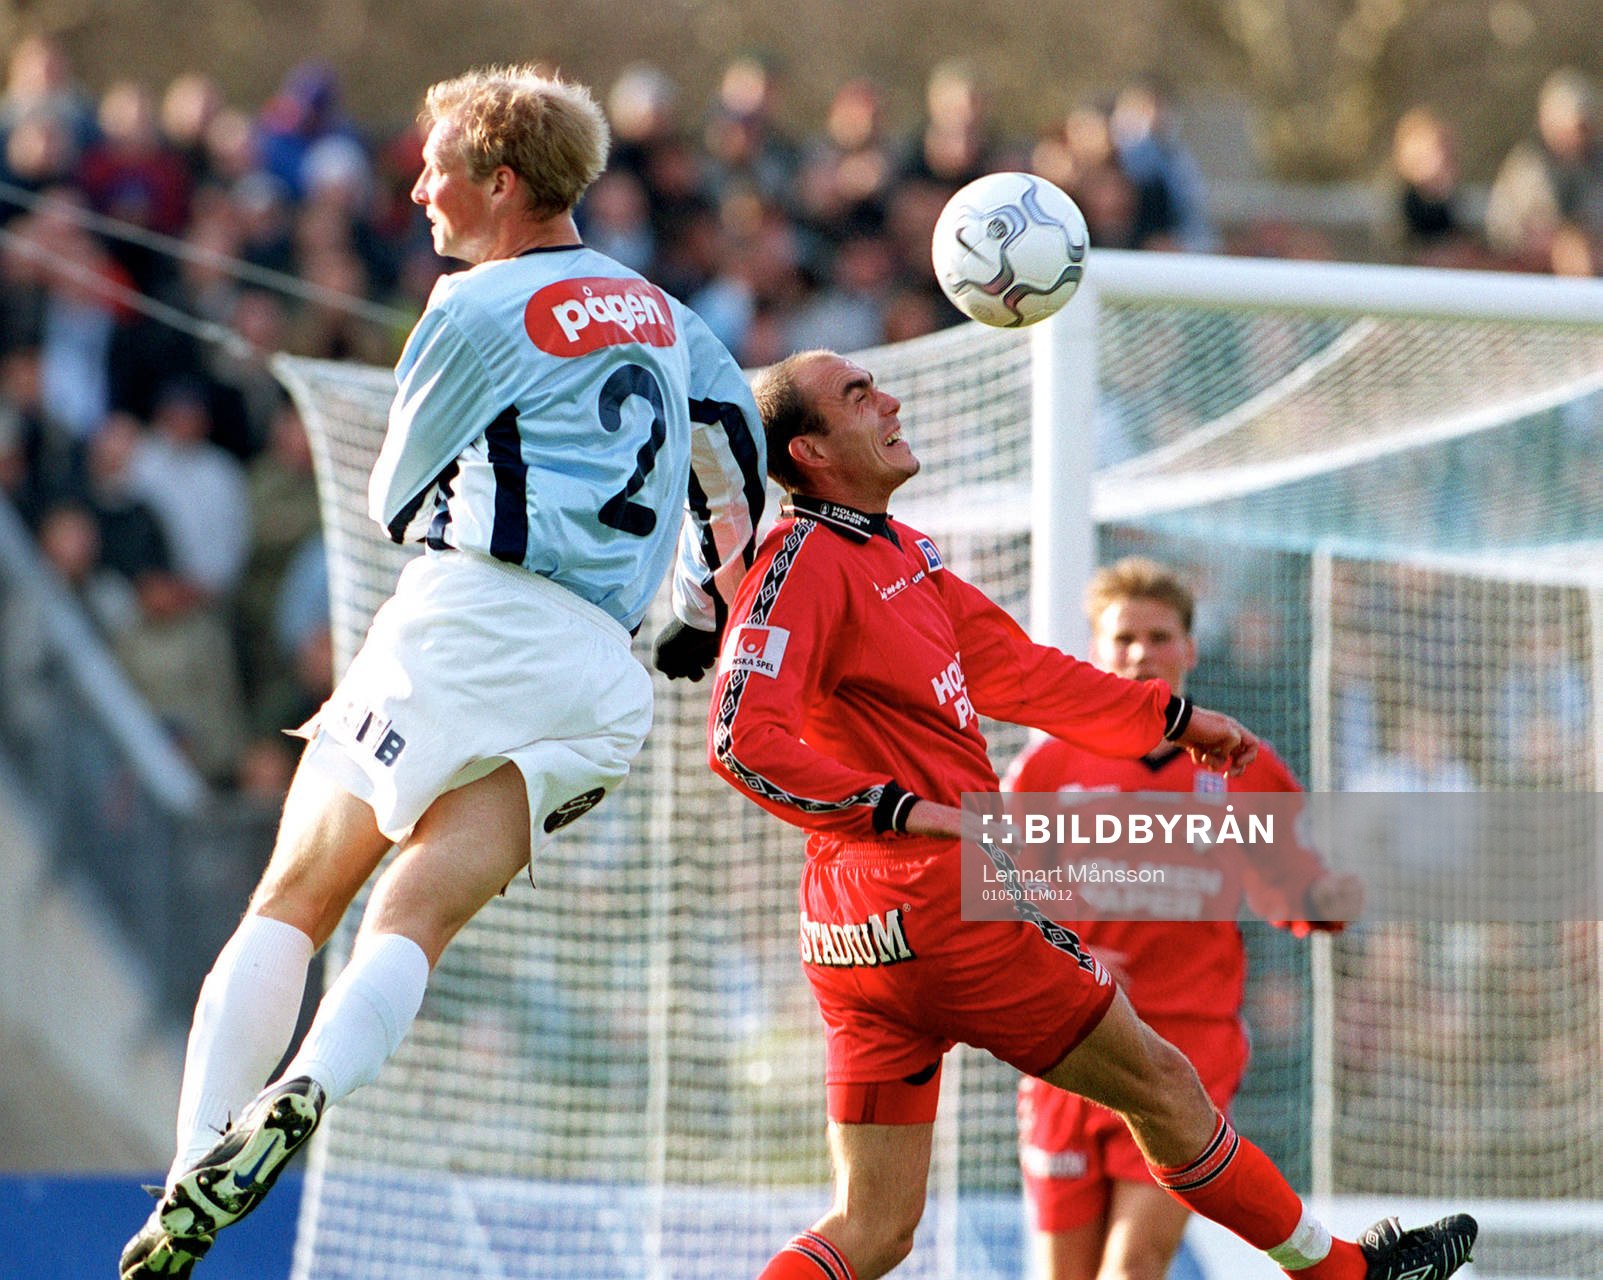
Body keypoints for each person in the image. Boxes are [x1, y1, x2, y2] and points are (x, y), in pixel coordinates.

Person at [120, 65, 766, 1279]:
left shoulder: (471, 306)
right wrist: (696, 604)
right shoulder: (673, 318)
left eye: (436, 170)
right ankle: (313, 1082)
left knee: (296, 897)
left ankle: (198, 1155)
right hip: (604, 678)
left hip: (473, 620)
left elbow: (394, 494)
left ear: (501, 183)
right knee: (412, 916)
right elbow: (737, 470)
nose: (418, 190)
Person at [688, 348, 1476, 1280]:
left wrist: (1172, 720)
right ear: (810, 452)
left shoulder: (900, 553)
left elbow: (1019, 672)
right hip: (938, 905)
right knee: (1163, 1090)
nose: (889, 400)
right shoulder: (805, 562)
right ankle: (1344, 1274)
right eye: (858, 396)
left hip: (858, 932)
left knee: (873, 1226)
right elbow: (739, 739)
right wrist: (901, 811)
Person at [1006, 557, 1361, 1280]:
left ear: (1190, 649)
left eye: (1159, 636)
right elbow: (991, 890)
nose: (1142, 653)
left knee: (1135, 1263)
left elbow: (1289, 881)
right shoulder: (1047, 767)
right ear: (1095, 651)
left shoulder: (1239, 763)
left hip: (1189, 1042)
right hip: (1072, 1043)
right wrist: (1061, 952)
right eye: (1124, 638)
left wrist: (1324, 901)